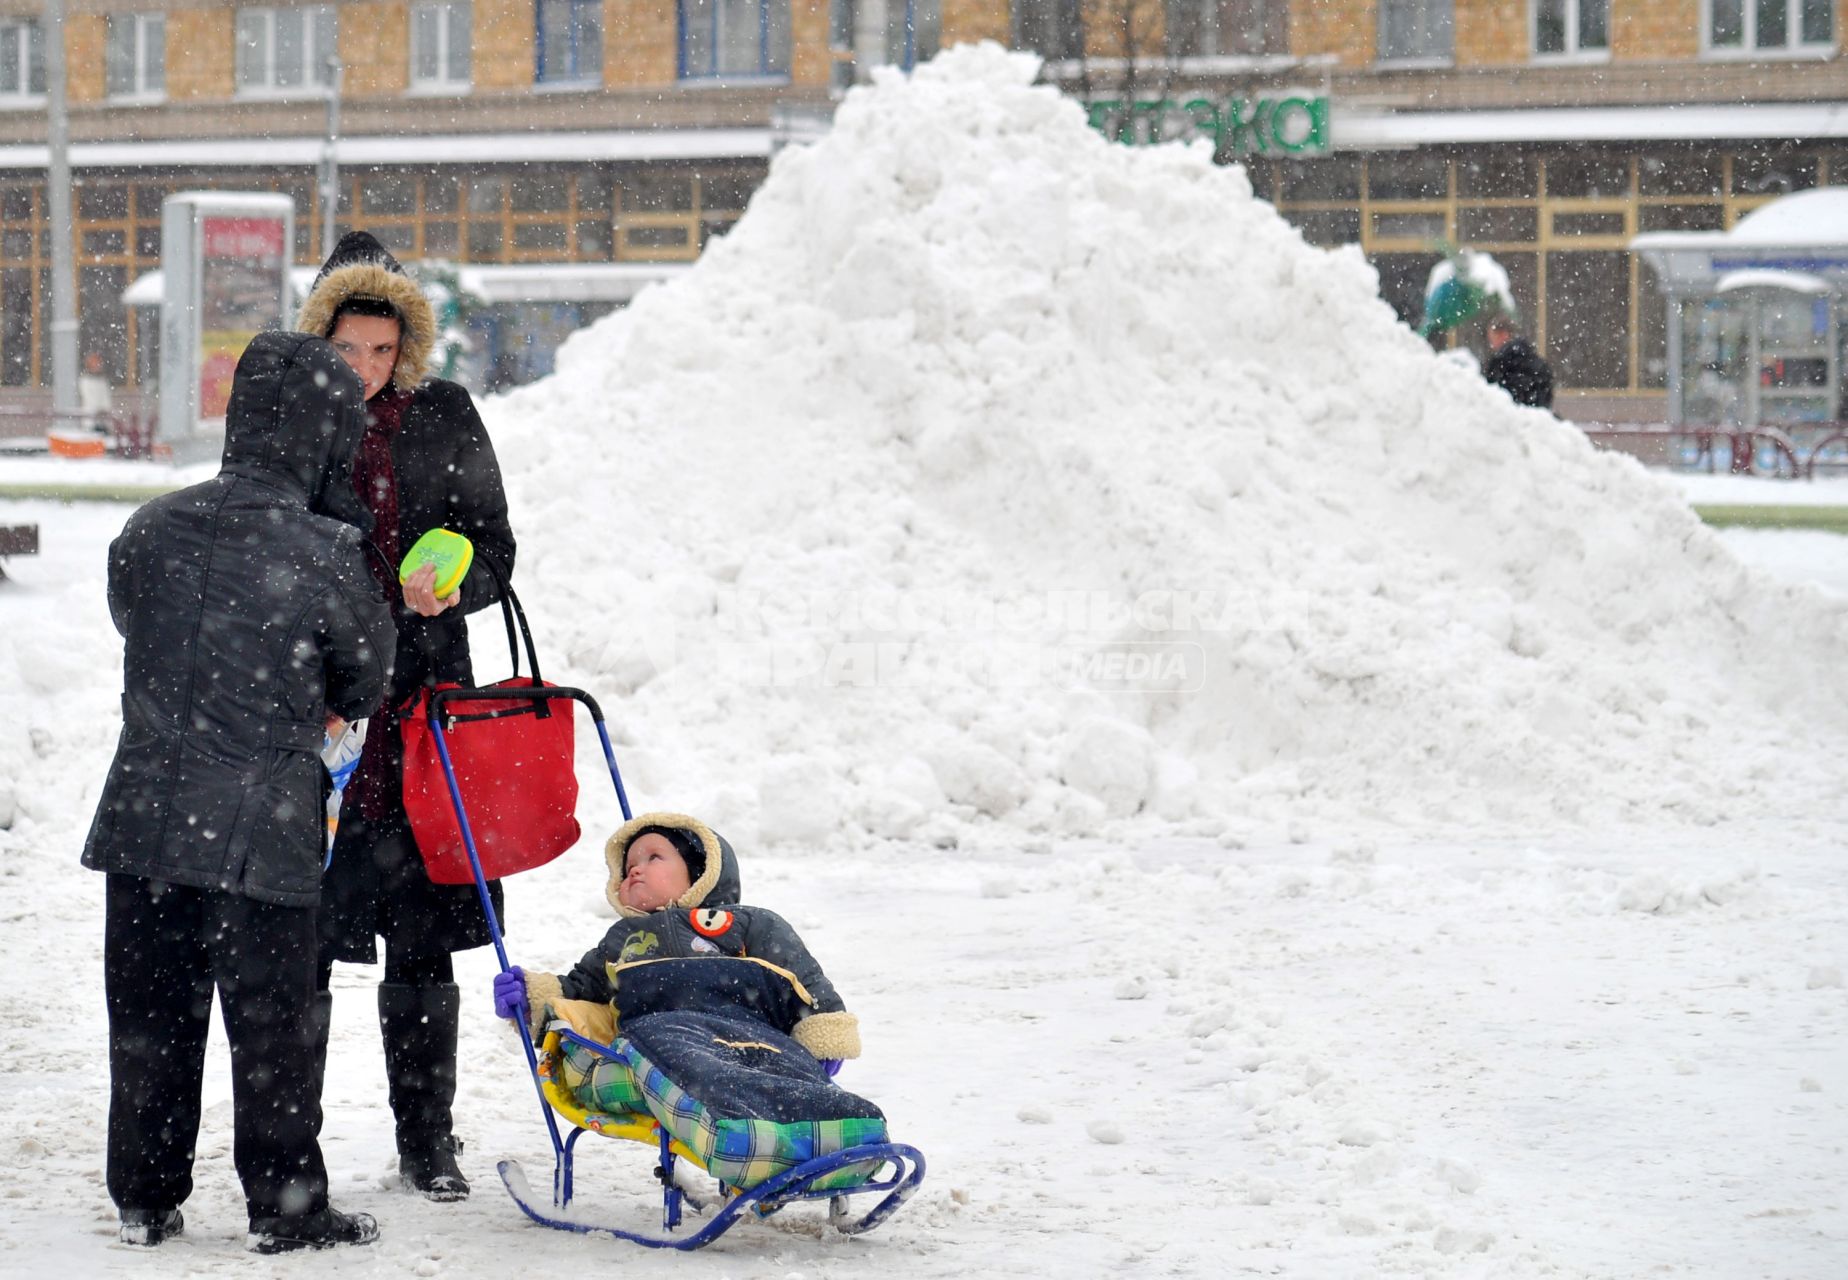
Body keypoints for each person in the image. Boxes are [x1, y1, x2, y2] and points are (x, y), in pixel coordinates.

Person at [80, 331, 396, 1253]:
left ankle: (144, 1195)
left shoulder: (150, 528)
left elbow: (134, 621)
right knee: (273, 1033)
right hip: (262, 833)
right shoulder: (328, 550)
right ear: (327, 436)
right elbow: (363, 681)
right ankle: (285, 1208)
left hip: (144, 821)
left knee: (148, 1022)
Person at [297, 230, 517, 1202]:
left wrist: (452, 580)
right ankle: (289, 1151)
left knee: (421, 939)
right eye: (348, 349)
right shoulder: (291, 417)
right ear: (321, 337)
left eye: (383, 350)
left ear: (409, 344)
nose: (366, 369)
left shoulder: (445, 414)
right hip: (325, 716)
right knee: (297, 937)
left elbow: (496, 545)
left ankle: (427, 1140)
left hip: (426, 712)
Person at [492, 814, 874, 1184]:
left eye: (653, 857)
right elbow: (577, 990)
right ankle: (744, 1141)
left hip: (753, 1031)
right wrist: (529, 996)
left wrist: (824, 1029)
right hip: (662, 1031)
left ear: (702, 869)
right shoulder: (621, 940)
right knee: (700, 1070)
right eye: (627, 869)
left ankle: (848, 1128)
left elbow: (803, 979)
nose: (635, 871)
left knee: (787, 1069)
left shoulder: (751, 923)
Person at [1483, 315, 1555, 410]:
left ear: (1503, 334)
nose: (1491, 345)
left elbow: (1491, 394)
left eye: (1492, 338)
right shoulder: (1533, 359)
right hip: (1537, 417)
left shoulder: (1501, 362)